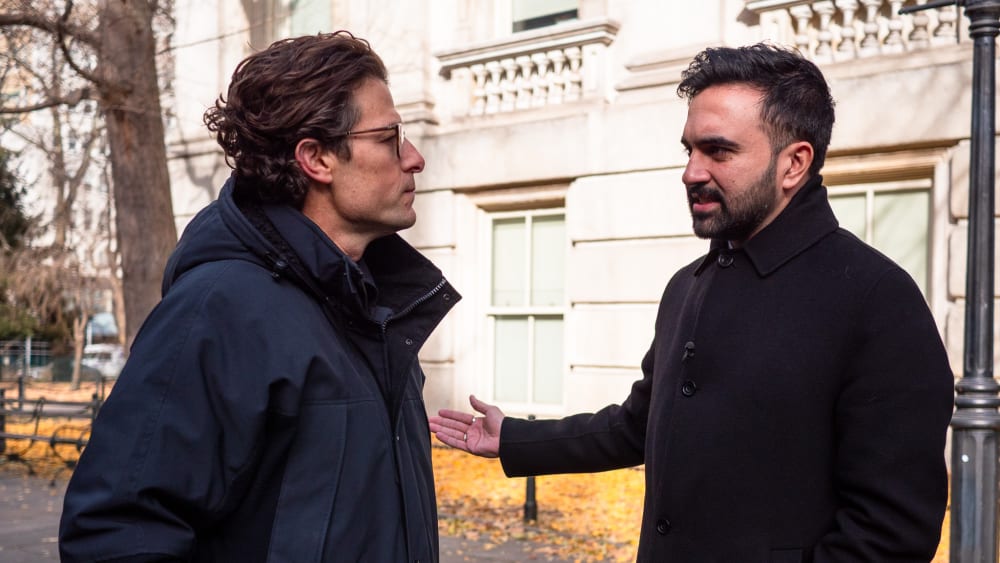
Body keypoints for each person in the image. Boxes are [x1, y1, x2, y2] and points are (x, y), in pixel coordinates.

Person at [430, 43, 953, 562]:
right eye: (690, 150)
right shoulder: (688, 285)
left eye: (718, 151)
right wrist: (516, 439)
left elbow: (891, 535)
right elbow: (637, 425)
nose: (691, 172)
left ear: (794, 163)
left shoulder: (878, 298)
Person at [60, 31, 459, 562]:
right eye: (389, 138)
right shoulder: (220, 309)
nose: (414, 158)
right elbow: (116, 533)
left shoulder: (377, 311)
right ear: (316, 158)